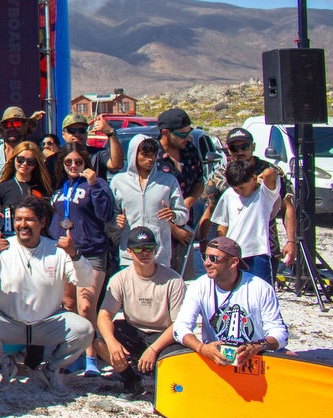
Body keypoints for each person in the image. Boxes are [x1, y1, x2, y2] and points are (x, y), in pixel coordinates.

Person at [0, 196, 95, 396]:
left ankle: (51, 369)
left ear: (42, 223)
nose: (22, 225)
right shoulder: (2, 248)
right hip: (8, 321)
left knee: (84, 329)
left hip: (46, 322)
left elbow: (85, 281)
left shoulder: (57, 251)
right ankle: (6, 366)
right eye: (18, 219)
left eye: (29, 220)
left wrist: (75, 255)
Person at [96, 225, 185, 396]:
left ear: (156, 250)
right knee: (100, 341)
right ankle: (131, 381)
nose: (145, 253)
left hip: (164, 334)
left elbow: (179, 324)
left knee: (175, 360)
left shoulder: (173, 279)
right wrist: (111, 342)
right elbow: (104, 315)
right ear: (129, 252)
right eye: (139, 248)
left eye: (149, 248)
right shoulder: (119, 279)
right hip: (135, 331)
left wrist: (153, 350)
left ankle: (158, 377)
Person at [51, 142, 116, 377]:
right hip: (64, 252)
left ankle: (91, 357)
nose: (73, 166)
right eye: (68, 162)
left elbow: (106, 214)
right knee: (69, 305)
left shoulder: (97, 184)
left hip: (91, 251)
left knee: (86, 306)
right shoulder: (59, 186)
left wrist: (93, 184)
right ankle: (74, 355)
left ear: (86, 163)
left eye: (78, 162)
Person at [174, 235, 288, 368]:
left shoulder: (260, 288)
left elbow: (280, 333)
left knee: (291, 358)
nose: (206, 263)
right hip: (216, 356)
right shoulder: (198, 286)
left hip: (254, 357)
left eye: (214, 258)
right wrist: (202, 348)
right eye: (205, 257)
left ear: (234, 262)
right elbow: (180, 327)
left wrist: (257, 346)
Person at [209, 159, 294, 285]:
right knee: (234, 291)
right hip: (233, 254)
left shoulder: (264, 193)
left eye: (242, 188)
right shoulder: (229, 194)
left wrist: (259, 178)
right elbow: (223, 225)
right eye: (236, 189)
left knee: (262, 291)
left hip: (258, 252)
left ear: (253, 179)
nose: (239, 192)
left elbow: (269, 173)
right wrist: (219, 248)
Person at [110, 135, 189, 268]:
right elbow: (110, 215)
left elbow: (183, 215)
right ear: (134, 154)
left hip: (159, 257)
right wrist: (116, 220)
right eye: (145, 155)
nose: (150, 159)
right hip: (129, 257)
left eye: (153, 155)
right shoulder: (119, 182)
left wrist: (174, 215)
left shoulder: (168, 181)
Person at [0, 140, 55, 248]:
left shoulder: (43, 188)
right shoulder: (2, 187)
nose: (24, 164)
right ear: (13, 159)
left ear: (36, 164)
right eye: (20, 159)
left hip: (37, 245)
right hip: (9, 245)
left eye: (30, 162)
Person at [49, 113, 124, 181]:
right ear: (63, 134)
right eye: (72, 130)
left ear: (86, 133)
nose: (77, 134)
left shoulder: (97, 155)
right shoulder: (54, 160)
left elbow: (116, 165)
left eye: (81, 130)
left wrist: (111, 133)